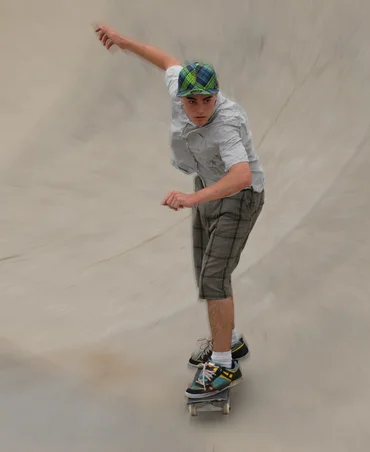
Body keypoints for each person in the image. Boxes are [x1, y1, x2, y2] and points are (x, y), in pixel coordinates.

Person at [94, 24, 265, 399]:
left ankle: (223, 365)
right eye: (192, 102)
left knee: (215, 276)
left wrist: (192, 199)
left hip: (239, 196)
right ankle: (231, 340)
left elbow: (241, 175)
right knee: (205, 270)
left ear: (216, 95)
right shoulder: (180, 89)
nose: (200, 109)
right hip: (208, 186)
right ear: (182, 97)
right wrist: (124, 44)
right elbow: (168, 61)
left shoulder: (226, 123)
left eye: (207, 100)